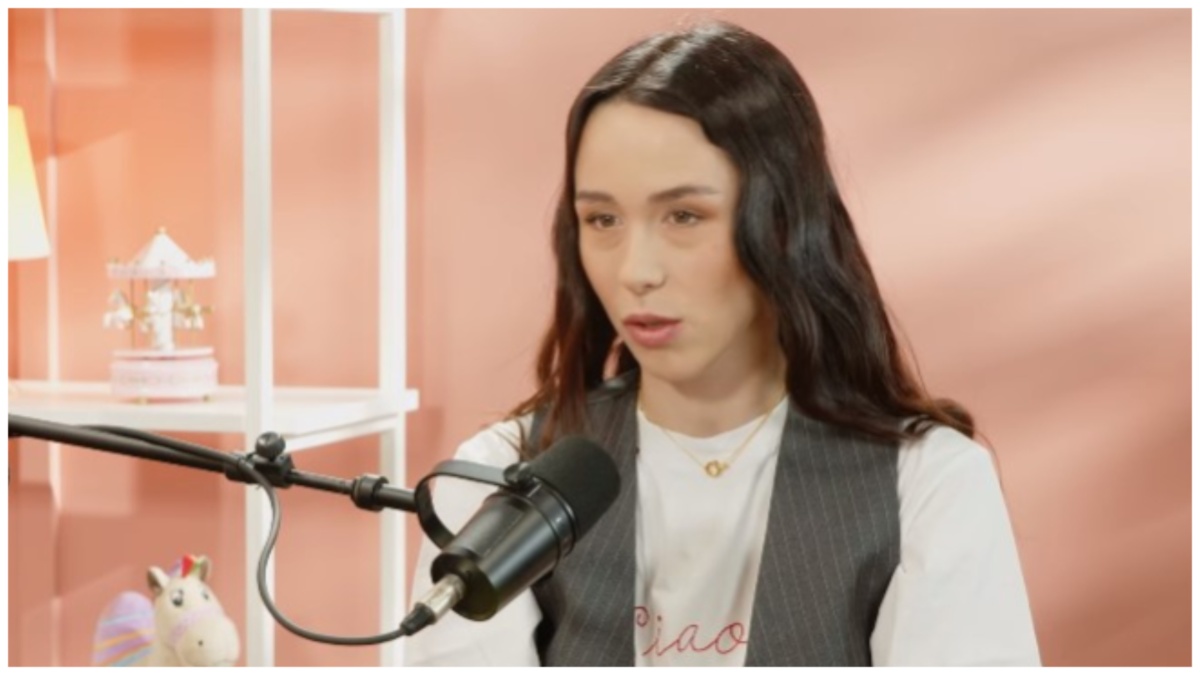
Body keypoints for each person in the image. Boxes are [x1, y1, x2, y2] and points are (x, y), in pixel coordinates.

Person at [404, 19, 1041, 667]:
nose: (635, 270)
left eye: (684, 215)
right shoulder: (495, 484)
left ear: (783, 220)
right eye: (602, 219)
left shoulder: (927, 483)